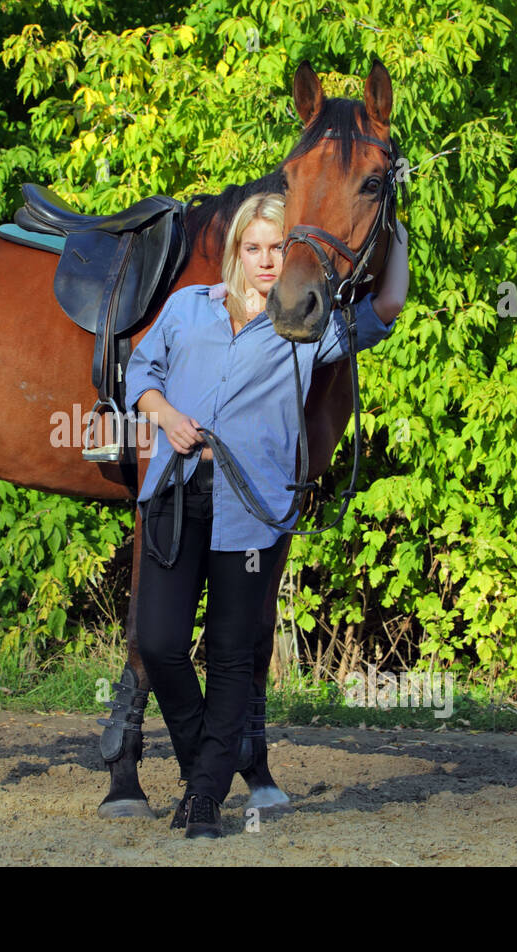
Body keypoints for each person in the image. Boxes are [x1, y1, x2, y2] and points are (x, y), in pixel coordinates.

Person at [124, 191, 408, 838]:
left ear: (290, 253)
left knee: (229, 652)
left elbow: (387, 306)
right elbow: (141, 373)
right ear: (235, 252)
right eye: (252, 248)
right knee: (162, 642)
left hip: (250, 510)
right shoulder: (186, 307)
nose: (264, 260)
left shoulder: (304, 328)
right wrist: (165, 416)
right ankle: (209, 767)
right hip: (175, 492)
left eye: (276, 248)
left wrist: (398, 225)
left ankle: (202, 799)